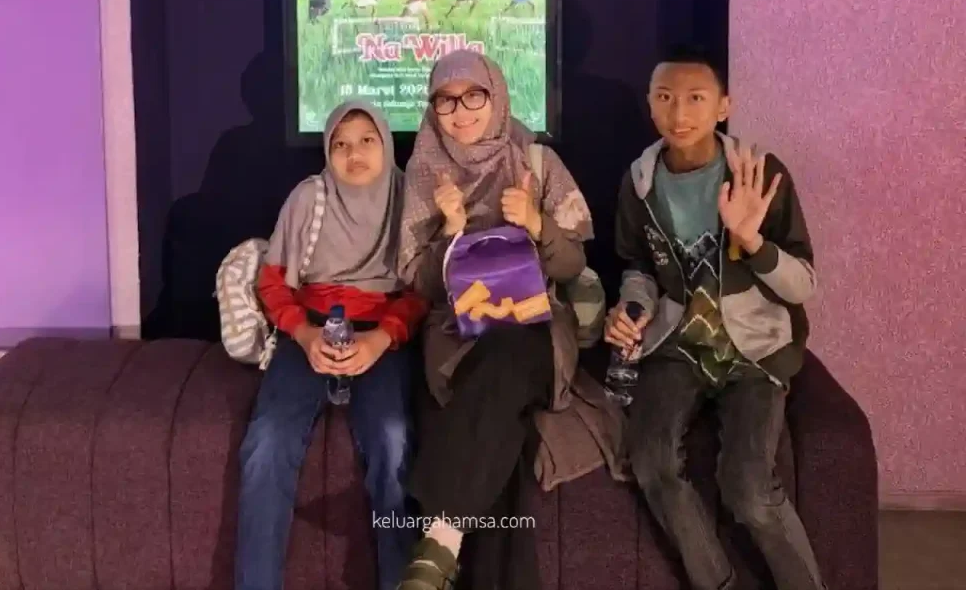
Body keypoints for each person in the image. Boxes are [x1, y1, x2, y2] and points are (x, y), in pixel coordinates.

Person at [395, 51, 626, 590]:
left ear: (495, 95)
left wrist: (537, 224)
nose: (460, 112)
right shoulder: (425, 173)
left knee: (508, 352)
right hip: (457, 339)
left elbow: (574, 265)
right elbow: (418, 282)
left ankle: (440, 536)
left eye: (473, 95)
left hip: (535, 332)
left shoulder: (536, 162)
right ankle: (449, 558)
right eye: (445, 101)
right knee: (501, 441)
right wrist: (450, 231)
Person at [607, 48, 826, 590]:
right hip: (679, 344)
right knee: (651, 462)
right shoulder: (639, 181)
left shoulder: (759, 173)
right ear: (650, 105)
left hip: (756, 347)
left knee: (748, 488)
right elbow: (639, 269)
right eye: (665, 98)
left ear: (723, 107)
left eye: (696, 98)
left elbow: (803, 285)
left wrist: (752, 241)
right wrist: (632, 310)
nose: (679, 112)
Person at [235, 101, 428, 590]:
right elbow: (272, 283)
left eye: (366, 141)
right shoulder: (308, 198)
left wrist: (380, 340)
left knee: (392, 440)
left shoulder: (410, 199)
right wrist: (303, 335)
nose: (353, 154)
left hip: (381, 337)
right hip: (311, 331)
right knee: (267, 442)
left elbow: (423, 290)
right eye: (340, 144)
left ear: (387, 145)